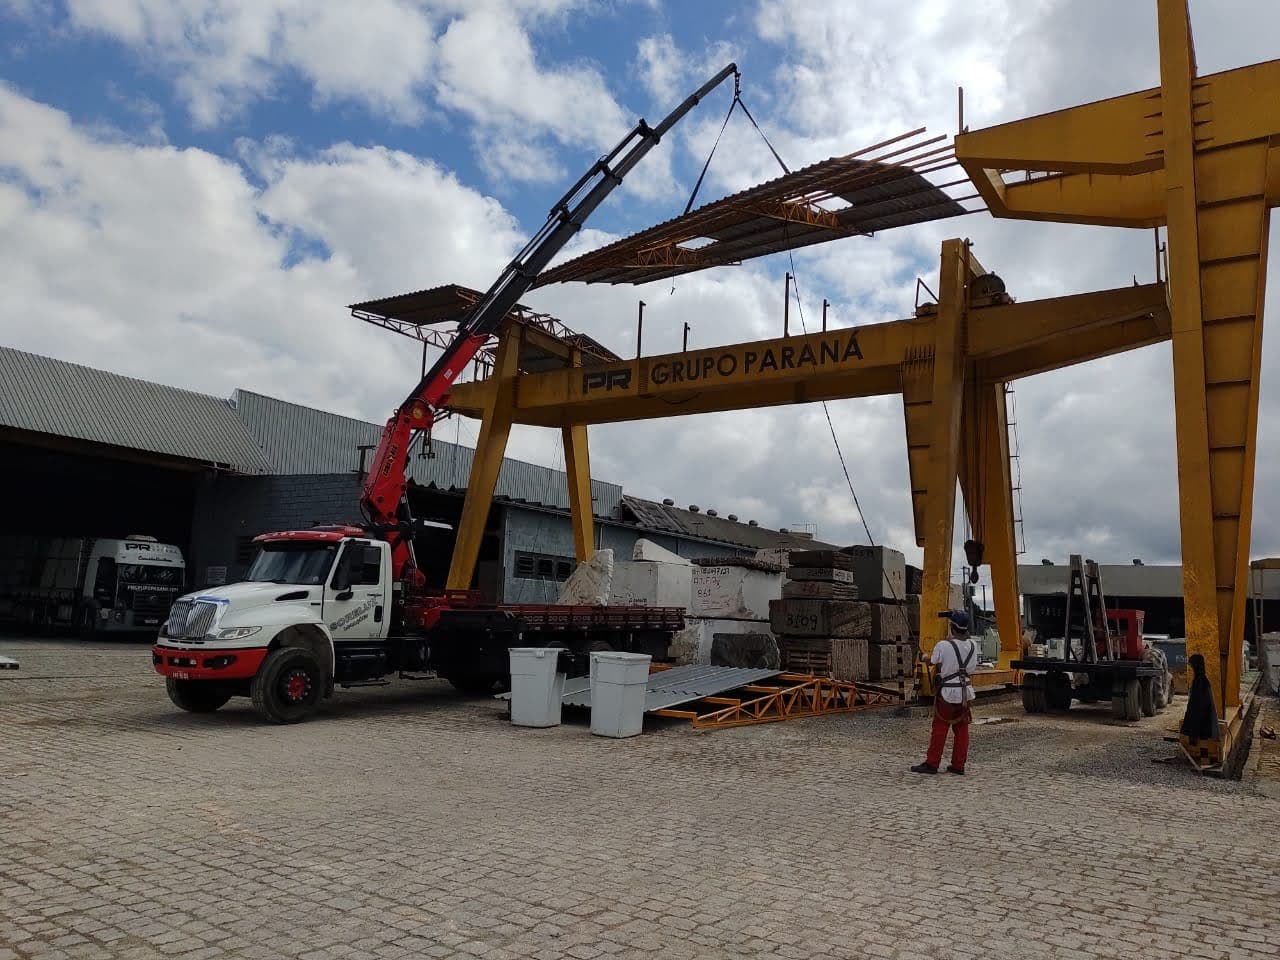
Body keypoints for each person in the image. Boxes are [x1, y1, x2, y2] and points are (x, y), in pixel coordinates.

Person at [911, 610, 977, 775]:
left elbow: (932, 660)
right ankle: (958, 765)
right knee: (962, 729)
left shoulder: (943, 645)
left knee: (940, 727)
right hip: (965, 692)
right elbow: (972, 668)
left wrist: (924, 656)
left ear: (952, 627)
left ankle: (932, 763)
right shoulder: (974, 645)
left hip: (948, 693)